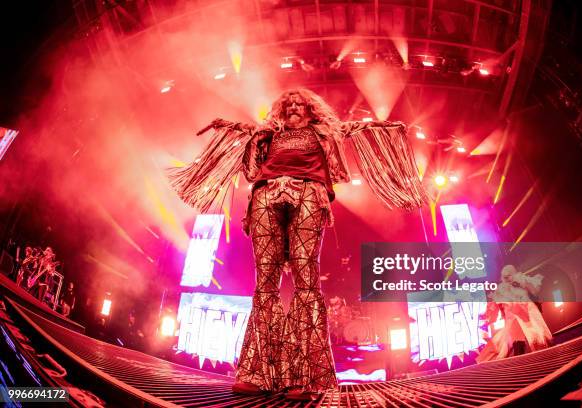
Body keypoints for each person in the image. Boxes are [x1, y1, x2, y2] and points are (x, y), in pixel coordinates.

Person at [168, 88, 428, 400]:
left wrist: (387, 126)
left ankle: (303, 378)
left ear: (310, 110)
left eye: (299, 104)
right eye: (288, 104)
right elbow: (248, 157)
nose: (293, 107)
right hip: (265, 195)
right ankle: (256, 373)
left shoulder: (324, 131)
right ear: (281, 109)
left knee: (306, 280)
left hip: (308, 194)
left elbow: (357, 129)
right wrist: (245, 132)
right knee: (265, 283)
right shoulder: (269, 133)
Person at [477, 265, 553, 362]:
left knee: (535, 340)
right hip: (514, 320)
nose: (507, 278)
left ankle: (539, 360)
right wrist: (487, 317)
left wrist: (523, 284)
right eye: (504, 276)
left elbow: (535, 291)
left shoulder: (521, 281)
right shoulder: (501, 290)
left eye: (509, 275)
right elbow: (495, 307)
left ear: (514, 274)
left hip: (527, 316)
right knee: (514, 344)